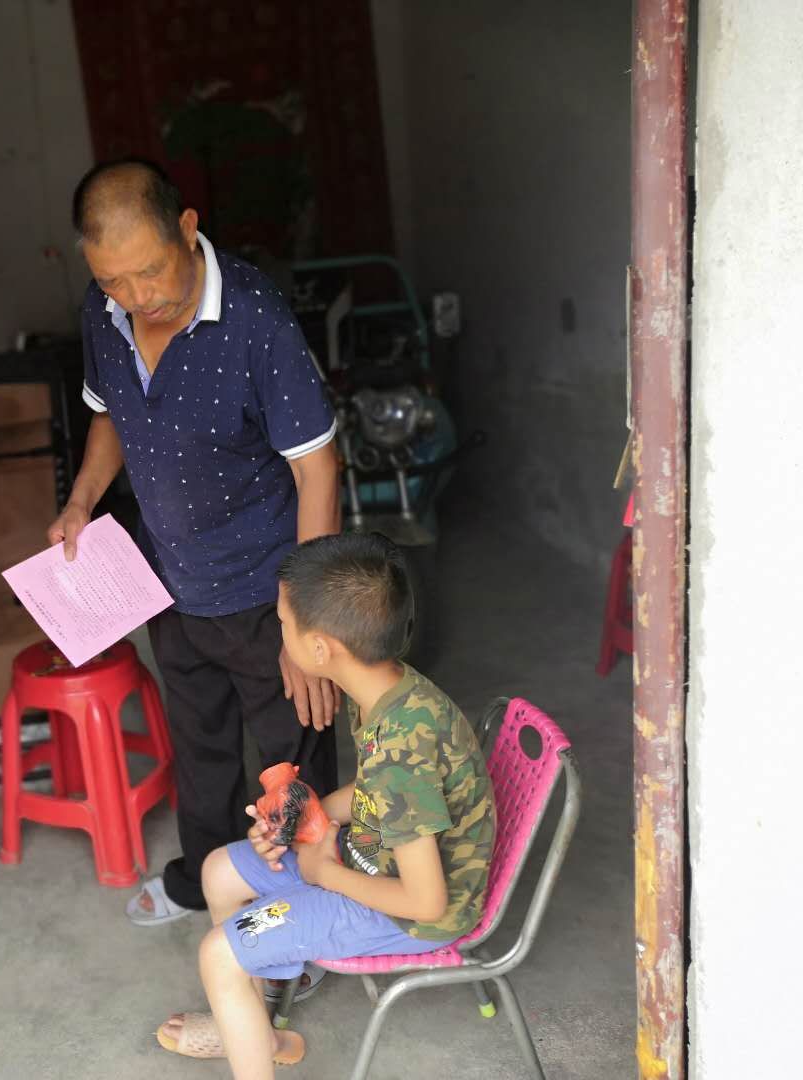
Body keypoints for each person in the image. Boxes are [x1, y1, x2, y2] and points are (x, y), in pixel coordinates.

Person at [49, 159, 343, 927]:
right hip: (171, 581)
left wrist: (304, 621)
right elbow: (109, 414)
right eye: (113, 280)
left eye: (149, 271)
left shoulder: (254, 316)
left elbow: (317, 466)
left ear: (187, 228)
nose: (137, 296)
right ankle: (201, 879)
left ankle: (304, 915)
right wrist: (81, 500)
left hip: (269, 588)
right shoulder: (103, 311)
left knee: (292, 764)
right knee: (202, 745)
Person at [156, 532, 497, 1076]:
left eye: (282, 623)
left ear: (320, 649)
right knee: (219, 870)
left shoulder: (401, 751)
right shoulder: (390, 691)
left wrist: (324, 872)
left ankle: (244, 1027)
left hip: (404, 912)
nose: (278, 633)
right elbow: (375, 794)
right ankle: (254, 1031)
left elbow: (427, 901)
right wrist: (303, 816)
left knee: (218, 953)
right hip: (367, 859)